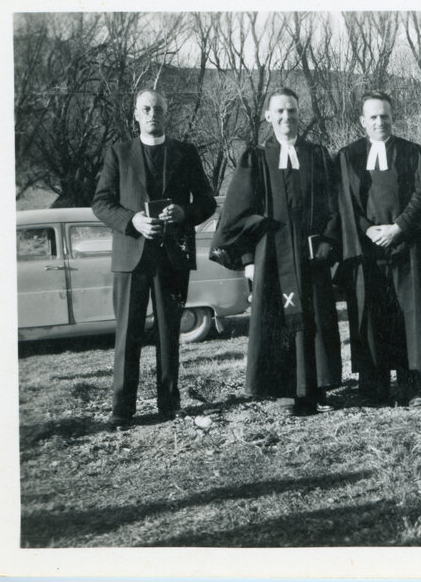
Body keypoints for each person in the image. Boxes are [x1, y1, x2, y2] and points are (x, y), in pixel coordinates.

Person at [210, 87, 342, 416]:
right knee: (280, 319)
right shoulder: (255, 158)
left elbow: (335, 203)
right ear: (268, 116)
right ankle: (286, 392)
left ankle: (315, 389)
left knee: (314, 318)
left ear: (299, 114)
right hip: (271, 255)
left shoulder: (317, 155)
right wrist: (248, 260)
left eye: (292, 111)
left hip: (311, 255)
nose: (287, 117)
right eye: (280, 111)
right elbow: (237, 213)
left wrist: (327, 240)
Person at [92, 89, 216, 430]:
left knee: (168, 332)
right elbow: (101, 203)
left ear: (166, 113)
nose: (152, 114)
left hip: (172, 257)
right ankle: (122, 410)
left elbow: (207, 202)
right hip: (131, 256)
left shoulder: (186, 153)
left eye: (158, 108)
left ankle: (169, 403)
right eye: (146, 109)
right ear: (136, 114)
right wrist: (132, 220)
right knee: (127, 334)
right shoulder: (118, 153)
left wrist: (184, 213)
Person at [335, 91, 421, 406]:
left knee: (411, 317)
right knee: (373, 317)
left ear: (392, 117)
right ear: (362, 121)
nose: (379, 122)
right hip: (367, 251)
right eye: (373, 117)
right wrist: (366, 229)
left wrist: (398, 227)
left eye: (384, 116)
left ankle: (415, 386)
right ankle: (374, 387)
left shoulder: (412, 152)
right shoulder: (348, 155)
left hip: (406, 247)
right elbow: (344, 201)